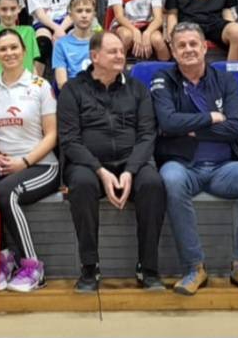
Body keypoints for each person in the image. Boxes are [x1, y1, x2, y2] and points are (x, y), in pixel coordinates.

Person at [150, 24, 238, 295]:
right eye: (181, 45)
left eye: (193, 44)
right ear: (173, 51)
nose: (188, 50)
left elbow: (236, 127)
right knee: (170, 180)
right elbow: (167, 122)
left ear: (205, 47)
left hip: (224, 168)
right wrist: (211, 118)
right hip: (183, 165)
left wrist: (192, 128)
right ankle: (194, 267)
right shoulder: (163, 78)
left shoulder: (224, 80)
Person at [56, 32, 165, 293]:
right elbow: (69, 140)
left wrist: (130, 171)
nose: (120, 56)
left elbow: (147, 135)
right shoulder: (72, 89)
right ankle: (89, 266)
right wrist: (100, 171)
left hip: (131, 162)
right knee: (82, 185)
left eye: (121, 51)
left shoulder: (138, 89)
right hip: (88, 165)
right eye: (113, 51)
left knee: (153, 184)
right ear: (95, 56)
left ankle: (148, 267)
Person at [0, 28, 61, 293]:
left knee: (5, 192)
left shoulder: (40, 86)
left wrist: (23, 162)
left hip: (41, 165)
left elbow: (52, 135)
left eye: (14, 47)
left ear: (24, 51)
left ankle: (33, 267)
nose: (9, 53)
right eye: (3, 49)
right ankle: (4, 260)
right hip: (3, 164)